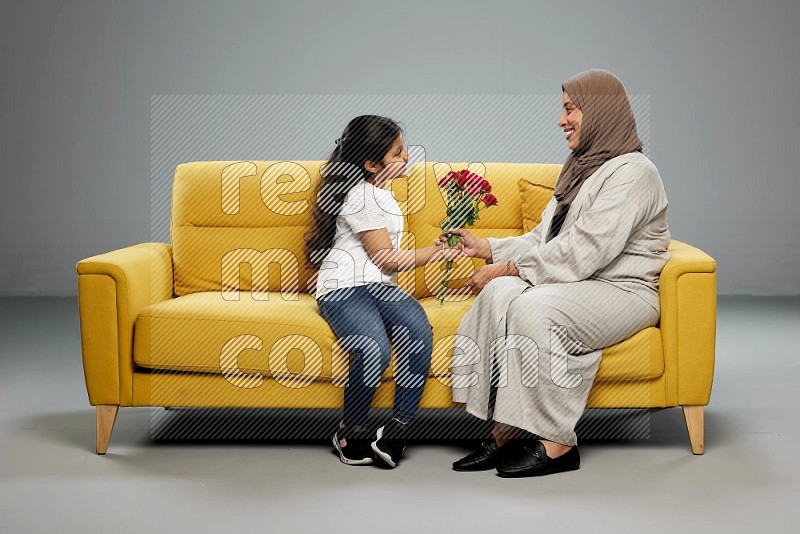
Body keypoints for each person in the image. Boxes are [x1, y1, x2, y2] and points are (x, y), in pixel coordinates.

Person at [443, 69, 671, 477]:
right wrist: (489, 249)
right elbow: (545, 238)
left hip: (622, 290)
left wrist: (509, 268)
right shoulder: (581, 168)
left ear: (599, 110)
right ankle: (507, 428)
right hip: (581, 282)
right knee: (499, 295)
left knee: (536, 308)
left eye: (570, 109)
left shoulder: (635, 172)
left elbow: (586, 249)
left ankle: (558, 441)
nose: (560, 120)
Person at [305, 115, 464, 468]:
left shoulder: (380, 192)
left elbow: (383, 267)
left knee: (418, 331)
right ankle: (351, 430)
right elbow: (388, 260)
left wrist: (434, 247)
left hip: (377, 285)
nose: (407, 156)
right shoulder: (362, 196)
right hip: (344, 287)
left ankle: (398, 429)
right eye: (398, 152)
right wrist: (436, 252)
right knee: (372, 348)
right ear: (371, 163)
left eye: (404, 148)